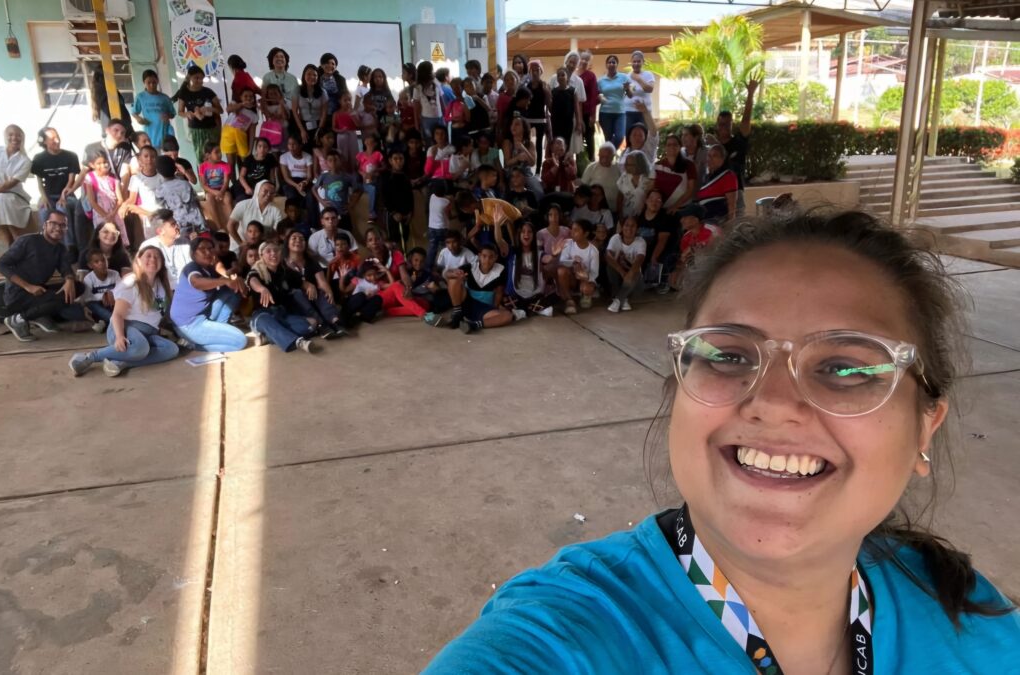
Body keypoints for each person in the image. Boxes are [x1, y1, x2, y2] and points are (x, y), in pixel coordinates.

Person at [426, 208, 1020, 674]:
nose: (775, 404)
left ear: (926, 427)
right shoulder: (570, 636)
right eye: (730, 355)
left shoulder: (963, 609)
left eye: (846, 368)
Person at [69, 245, 177, 377]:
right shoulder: (131, 281)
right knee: (140, 348)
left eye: (157, 256)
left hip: (149, 333)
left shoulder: (163, 283)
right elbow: (117, 315)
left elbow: (162, 311)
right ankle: (89, 357)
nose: (153, 259)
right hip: (125, 327)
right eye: (148, 255)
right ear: (138, 260)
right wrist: (120, 336)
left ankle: (122, 362)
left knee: (171, 349)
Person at [0, 210, 86, 341]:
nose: (58, 228)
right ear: (45, 225)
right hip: (17, 295)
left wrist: (69, 280)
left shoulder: (60, 248)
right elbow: (1, 264)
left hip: (38, 292)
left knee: (77, 288)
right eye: (54, 223)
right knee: (60, 298)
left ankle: (38, 315)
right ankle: (17, 319)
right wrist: (28, 287)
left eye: (62, 225)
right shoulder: (27, 241)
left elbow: (65, 268)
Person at [169, 234, 247, 352]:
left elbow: (218, 265)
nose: (207, 252)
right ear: (193, 254)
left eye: (210, 248)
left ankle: (220, 328)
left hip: (203, 314)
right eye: (202, 249)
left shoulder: (209, 268)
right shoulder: (191, 267)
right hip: (188, 323)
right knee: (240, 341)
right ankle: (192, 345)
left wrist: (236, 280)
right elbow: (197, 282)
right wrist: (225, 280)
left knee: (232, 291)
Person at [246, 241, 319, 353]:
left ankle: (267, 338)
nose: (273, 254)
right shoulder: (257, 270)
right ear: (261, 255)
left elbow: (300, 281)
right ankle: (298, 342)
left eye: (276, 250)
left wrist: (310, 285)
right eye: (268, 251)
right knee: (266, 321)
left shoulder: (284, 270)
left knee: (312, 323)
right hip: (262, 315)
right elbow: (252, 280)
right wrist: (262, 288)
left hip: (282, 314)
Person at [282, 230, 347, 338]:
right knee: (297, 292)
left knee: (322, 290)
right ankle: (321, 324)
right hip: (295, 301)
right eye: (294, 238)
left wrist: (329, 293)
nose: (298, 241)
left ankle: (335, 320)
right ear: (287, 243)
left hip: (314, 297)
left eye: (302, 239)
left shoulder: (311, 261)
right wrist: (305, 284)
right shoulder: (282, 263)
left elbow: (321, 281)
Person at [709, 79, 759, 215]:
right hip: (715, 191)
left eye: (727, 124)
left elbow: (746, 120)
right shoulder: (711, 146)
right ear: (717, 126)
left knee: (736, 228)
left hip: (736, 190)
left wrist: (750, 95)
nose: (724, 127)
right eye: (721, 124)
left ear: (732, 124)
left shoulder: (738, 142)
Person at [30, 128, 81, 256]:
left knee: (61, 208)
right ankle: (47, 244)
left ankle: (69, 246)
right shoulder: (39, 159)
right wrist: (43, 197)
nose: (57, 141)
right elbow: (39, 181)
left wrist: (63, 195)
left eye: (57, 137)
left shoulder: (71, 156)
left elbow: (71, 181)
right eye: (52, 139)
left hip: (67, 194)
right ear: (44, 141)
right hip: (49, 195)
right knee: (43, 210)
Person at [446, 243, 514, 334]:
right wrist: (455, 274)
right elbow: (448, 274)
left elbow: (499, 292)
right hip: (466, 303)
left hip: (484, 308)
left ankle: (473, 325)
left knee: (507, 316)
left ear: (496, 257)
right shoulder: (471, 267)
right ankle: (457, 313)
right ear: (479, 256)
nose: (487, 260)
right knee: (454, 280)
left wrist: (494, 309)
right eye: (484, 256)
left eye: (491, 257)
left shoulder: (500, 270)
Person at [504, 221, 551, 317]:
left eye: (529, 232)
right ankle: (531, 309)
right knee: (504, 300)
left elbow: (548, 259)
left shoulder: (539, 253)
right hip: (516, 295)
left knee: (548, 303)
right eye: (523, 231)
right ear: (519, 234)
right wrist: (497, 224)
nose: (526, 234)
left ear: (534, 235)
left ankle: (523, 311)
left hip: (534, 295)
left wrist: (554, 254)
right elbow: (499, 241)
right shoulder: (513, 253)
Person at [175, 65, 223, 158]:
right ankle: (202, 172)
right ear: (189, 78)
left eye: (202, 78)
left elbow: (220, 110)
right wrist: (187, 114)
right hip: (196, 130)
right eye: (197, 78)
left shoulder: (208, 92)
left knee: (214, 156)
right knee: (201, 157)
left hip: (211, 129)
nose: (200, 81)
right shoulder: (184, 93)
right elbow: (180, 112)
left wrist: (210, 109)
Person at [84, 149, 127, 247]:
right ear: (91, 165)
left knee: (117, 235)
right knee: (104, 235)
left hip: (115, 213)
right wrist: (105, 215)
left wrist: (112, 213)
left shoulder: (113, 177)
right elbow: (92, 200)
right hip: (100, 213)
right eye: (98, 163)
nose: (102, 165)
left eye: (104, 162)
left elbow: (120, 199)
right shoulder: (89, 178)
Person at [556, 219, 600, 315]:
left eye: (576, 230)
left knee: (587, 290)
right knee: (561, 271)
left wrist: (585, 276)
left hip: (584, 278)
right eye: (572, 229)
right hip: (572, 277)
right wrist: (574, 263)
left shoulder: (593, 251)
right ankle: (569, 300)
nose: (572, 232)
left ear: (585, 234)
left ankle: (585, 294)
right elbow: (562, 261)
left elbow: (594, 273)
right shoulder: (568, 244)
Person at [120, 145, 163, 243]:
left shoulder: (162, 177)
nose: (149, 159)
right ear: (139, 159)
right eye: (146, 156)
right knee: (154, 242)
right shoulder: (136, 179)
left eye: (153, 156)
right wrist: (124, 205)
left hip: (163, 215)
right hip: (148, 217)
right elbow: (132, 199)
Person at [155, 155, 206, 235]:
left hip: (179, 228)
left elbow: (164, 212)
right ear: (175, 168)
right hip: (197, 223)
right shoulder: (185, 184)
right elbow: (196, 203)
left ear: (158, 171)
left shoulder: (160, 191)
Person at [605, 215, 646, 313]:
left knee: (635, 273)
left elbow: (639, 260)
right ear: (622, 227)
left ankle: (618, 300)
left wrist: (630, 273)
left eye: (633, 226)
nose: (629, 228)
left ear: (637, 228)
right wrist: (623, 272)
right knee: (610, 266)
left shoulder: (641, 242)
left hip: (634, 281)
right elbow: (608, 255)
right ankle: (623, 299)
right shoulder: (616, 238)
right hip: (619, 275)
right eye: (626, 225)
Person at [139, 209, 191, 287]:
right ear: (160, 231)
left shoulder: (186, 243)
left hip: (187, 288)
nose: (177, 226)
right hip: (163, 291)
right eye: (173, 225)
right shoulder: (148, 247)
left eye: (176, 223)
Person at [643, 189, 680, 292]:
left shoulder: (665, 217)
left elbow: (662, 241)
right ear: (646, 201)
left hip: (662, 250)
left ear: (662, 203)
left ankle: (662, 282)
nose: (654, 202)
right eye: (651, 199)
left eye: (658, 200)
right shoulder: (639, 217)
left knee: (658, 261)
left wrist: (654, 257)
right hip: (645, 250)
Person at [227, 180, 282, 248]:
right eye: (265, 191)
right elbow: (230, 225)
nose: (268, 194)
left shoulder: (276, 211)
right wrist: (240, 243)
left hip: (263, 245)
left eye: (272, 193)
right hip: (241, 242)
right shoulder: (244, 204)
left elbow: (277, 232)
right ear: (258, 190)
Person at [670, 203, 713, 290]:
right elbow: (684, 259)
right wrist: (677, 271)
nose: (681, 220)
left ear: (696, 219)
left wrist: (692, 249)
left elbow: (719, 252)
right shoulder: (686, 237)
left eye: (685, 217)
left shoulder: (711, 231)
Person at [697, 144, 740, 228]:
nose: (710, 159)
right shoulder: (706, 177)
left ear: (722, 159)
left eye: (715, 156)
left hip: (719, 223)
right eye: (709, 156)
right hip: (705, 223)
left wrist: (730, 226)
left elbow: (732, 205)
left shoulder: (728, 176)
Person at [313, 151, 360, 227]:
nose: (333, 162)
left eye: (336, 160)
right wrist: (321, 201)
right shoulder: (324, 176)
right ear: (327, 163)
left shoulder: (347, 177)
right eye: (330, 160)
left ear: (340, 161)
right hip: (329, 213)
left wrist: (352, 204)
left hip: (343, 212)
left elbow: (358, 190)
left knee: (346, 233)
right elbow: (314, 189)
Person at [655, 134, 698, 217]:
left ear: (680, 146)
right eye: (669, 145)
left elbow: (690, 189)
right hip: (661, 209)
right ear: (665, 147)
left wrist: (675, 206)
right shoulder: (657, 165)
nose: (672, 147)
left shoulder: (689, 165)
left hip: (682, 209)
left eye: (675, 144)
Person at [132, 69, 176, 150]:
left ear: (157, 81)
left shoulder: (165, 98)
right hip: (150, 133)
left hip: (164, 132)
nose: (152, 85)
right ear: (144, 83)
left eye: (154, 82)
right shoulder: (140, 97)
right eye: (148, 83)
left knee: (166, 157)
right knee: (152, 156)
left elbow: (173, 114)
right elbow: (134, 112)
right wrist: (138, 119)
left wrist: (168, 116)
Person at [77, 248, 120, 330]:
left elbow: (122, 290)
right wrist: (103, 295)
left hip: (112, 303)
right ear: (90, 265)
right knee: (92, 305)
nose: (101, 263)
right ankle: (114, 321)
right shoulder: (89, 278)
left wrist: (111, 292)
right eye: (96, 262)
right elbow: (86, 298)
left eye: (104, 260)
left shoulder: (115, 274)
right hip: (98, 306)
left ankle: (107, 322)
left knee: (121, 302)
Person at [380, 149, 414, 251]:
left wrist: (410, 212)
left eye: (401, 159)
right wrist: (393, 213)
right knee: (394, 242)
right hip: (392, 216)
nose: (398, 161)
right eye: (395, 159)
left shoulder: (405, 177)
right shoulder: (386, 177)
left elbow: (410, 196)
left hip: (405, 215)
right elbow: (384, 198)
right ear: (390, 161)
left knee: (404, 240)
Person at [221, 88, 259, 174]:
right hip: (228, 135)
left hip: (241, 136)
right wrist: (242, 104)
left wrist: (250, 149)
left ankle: (243, 182)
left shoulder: (254, 115)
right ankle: (234, 184)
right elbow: (228, 109)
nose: (248, 98)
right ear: (240, 97)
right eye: (245, 96)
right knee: (231, 164)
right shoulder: (236, 105)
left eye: (251, 96)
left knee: (244, 162)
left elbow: (252, 133)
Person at [597, 55, 632, 148]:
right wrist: (600, 97)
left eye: (614, 62)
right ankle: (609, 159)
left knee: (619, 137)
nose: (611, 64)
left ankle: (608, 153)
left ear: (617, 65)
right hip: (605, 113)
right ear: (606, 65)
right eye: (609, 62)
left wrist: (627, 89)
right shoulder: (601, 80)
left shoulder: (624, 77)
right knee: (607, 138)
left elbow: (630, 95)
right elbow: (597, 94)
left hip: (620, 113)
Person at [523, 61, 551, 172]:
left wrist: (546, 92)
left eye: (537, 70)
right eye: (532, 70)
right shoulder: (527, 86)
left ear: (541, 71)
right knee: (526, 142)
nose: (535, 73)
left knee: (539, 144)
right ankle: (526, 167)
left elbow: (549, 104)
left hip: (540, 118)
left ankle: (538, 170)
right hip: (528, 118)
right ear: (529, 72)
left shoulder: (544, 85)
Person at [620, 101, 659, 177]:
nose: (637, 138)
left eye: (640, 135)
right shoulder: (624, 153)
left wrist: (646, 112)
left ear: (645, 138)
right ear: (629, 138)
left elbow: (653, 133)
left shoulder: (648, 149)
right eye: (634, 135)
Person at [580, 142, 620, 212]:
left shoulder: (618, 168)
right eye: (602, 157)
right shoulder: (591, 167)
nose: (604, 160)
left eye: (607, 157)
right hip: (594, 208)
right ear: (598, 155)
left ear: (613, 157)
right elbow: (583, 187)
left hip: (613, 208)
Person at [537, 204, 570, 288]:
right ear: (547, 217)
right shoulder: (541, 233)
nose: (554, 218)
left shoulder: (566, 231)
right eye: (551, 215)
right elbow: (539, 252)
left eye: (556, 214)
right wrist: (550, 258)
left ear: (560, 216)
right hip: (549, 262)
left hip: (564, 261)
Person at [413, 61, 444, 145]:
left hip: (439, 117)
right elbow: (416, 106)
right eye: (431, 70)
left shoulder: (436, 83)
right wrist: (417, 122)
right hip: (427, 118)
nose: (433, 72)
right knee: (429, 140)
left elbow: (441, 100)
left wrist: (445, 115)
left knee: (442, 139)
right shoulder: (418, 88)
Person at [356, 133, 384, 224]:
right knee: (372, 189)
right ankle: (372, 213)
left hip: (376, 179)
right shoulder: (360, 155)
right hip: (365, 182)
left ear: (375, 143)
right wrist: (363, 174)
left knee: (377, 187)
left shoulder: (378, 154)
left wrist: (376, 170)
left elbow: (384, 167)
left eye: (371, 141)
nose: (368, 142)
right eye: (367, 141)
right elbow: (356, 168)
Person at [624, 50, 656, 130]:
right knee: (629, 135)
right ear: (631, 62)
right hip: (629, 111)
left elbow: (650, 89)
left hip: (644, 112)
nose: (636, 64)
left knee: (644, 135)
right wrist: (627, 89)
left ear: (643, 62)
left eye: (638, 61)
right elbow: (629, 95)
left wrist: (638, 78)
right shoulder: (627, 76)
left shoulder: (648, 74)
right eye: (634, 62)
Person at [578, 50, 600, 162]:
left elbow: (593, 97)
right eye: (582, 58)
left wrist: (593, 115)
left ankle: (591, 161)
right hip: (575, 113)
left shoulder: (591, 76)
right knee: (578, 139)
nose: (584, 61)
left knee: (589, 137)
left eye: (587, 60)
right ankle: (579, 163)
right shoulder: (574, 74)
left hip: (587, 113)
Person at [616, 150, 651, 221]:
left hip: (644, 218)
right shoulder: (624, 177)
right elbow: (619, 197)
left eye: (629, 164)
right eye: (625, 163)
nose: (626, 167)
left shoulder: (649, 179)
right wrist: (620, 215)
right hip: (626, 217)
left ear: (639, 165)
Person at [332, 93, 360, 173]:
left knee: (355, 154)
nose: (348, 102)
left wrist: (352, 115)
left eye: (349, 100)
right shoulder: (336, 113)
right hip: (342, 135)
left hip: (354, 134)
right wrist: (340, 131)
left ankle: (355, 172)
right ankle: (344, 173)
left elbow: (358, 125)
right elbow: (334, 127)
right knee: (343, 155)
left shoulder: (354, 112)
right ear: (340, 101)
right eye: (345, 100)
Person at [319, 52, 349, 116]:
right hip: (320, 115)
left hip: (337, 114)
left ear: (335, 67)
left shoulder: (341, 79)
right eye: (327, 63)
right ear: (321, 65)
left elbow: (346, 96)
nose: (330, 65)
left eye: (333, 64)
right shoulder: (316, 79)